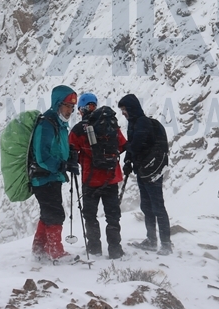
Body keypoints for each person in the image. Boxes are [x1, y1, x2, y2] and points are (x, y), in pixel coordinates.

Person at [68, 93, 127, 259]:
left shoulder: (79, 129)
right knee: (112, 216)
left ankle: (94, 248)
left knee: (90, 215)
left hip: (90, 179)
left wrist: (83, 159)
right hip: (111, 178)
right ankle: (115, 249)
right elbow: (122, 145)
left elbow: (69, 150)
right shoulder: (111, 124)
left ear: (82, 109)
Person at [118, 93, 172, 256]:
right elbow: (133, 145)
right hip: (144, 169)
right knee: (148, 206)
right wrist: (128, 161)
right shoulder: (134, 123)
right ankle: (152, 240)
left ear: (131, 108)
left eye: (124, 109)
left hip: (151, 169)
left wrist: (129, 157)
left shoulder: (141, 123)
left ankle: (165, 244)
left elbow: (137, 144)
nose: (123, 113)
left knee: (156, 206)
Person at [29, 85, 78, 261]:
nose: (70, 110)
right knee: (55, 213)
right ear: (58, 104)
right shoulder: (47, 123)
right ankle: (55, 252)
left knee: (48, 212)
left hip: (51, 177)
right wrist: (61, 166)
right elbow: (42, 156)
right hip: (43, 177)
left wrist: (70, 156)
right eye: (67, 106)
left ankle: (39, 250)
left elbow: (59, 149)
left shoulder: (60, 124)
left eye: (72, 107)